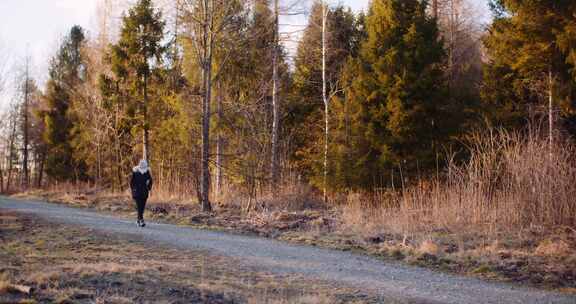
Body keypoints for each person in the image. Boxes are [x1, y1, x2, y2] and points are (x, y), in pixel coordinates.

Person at [130, 159, 153, 227]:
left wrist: (149, 188)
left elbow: (151, 181)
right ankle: (141, 220)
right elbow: (132, 182)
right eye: (141, 163)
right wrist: (133, 189)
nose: (142, 165)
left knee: (142, 207)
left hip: (144, 192)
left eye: (144, 164)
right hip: (137, 192)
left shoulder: (147, 172)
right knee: (139, 206)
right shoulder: (135, 171)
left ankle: (138, 220)